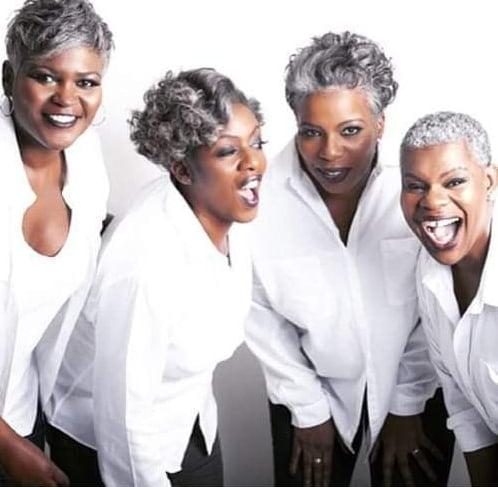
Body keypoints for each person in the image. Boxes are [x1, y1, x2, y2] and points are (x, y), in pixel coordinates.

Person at [245, 31, 454, 486]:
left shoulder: (418, 186)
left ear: (380, 124)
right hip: (305, 394)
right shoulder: (258, 196)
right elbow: (257, 309)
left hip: (418, 390)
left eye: (351, 131)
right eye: (311, 132)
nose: (330, 152)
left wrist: (407, 401)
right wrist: (307, 410)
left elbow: (440, 296)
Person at [50, 67, 267, 487]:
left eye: (256, 142)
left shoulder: (227, 208)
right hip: (107, 445)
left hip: (187, 419)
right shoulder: (144, 266)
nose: (253, 161)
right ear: (182, 170)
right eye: (228, 151)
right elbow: (123, 418)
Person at [0, 0, 112, 485]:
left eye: (85, 82)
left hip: (27, 415)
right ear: (8, 78)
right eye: (46, 77)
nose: (67, 98)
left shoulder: (85, 158)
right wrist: (7, 448)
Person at [400, 111, 498, 486]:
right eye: (415, 185)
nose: (432, 201)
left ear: (489, 181)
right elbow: (466, 408)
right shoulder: (430, 271)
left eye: (454, 181)